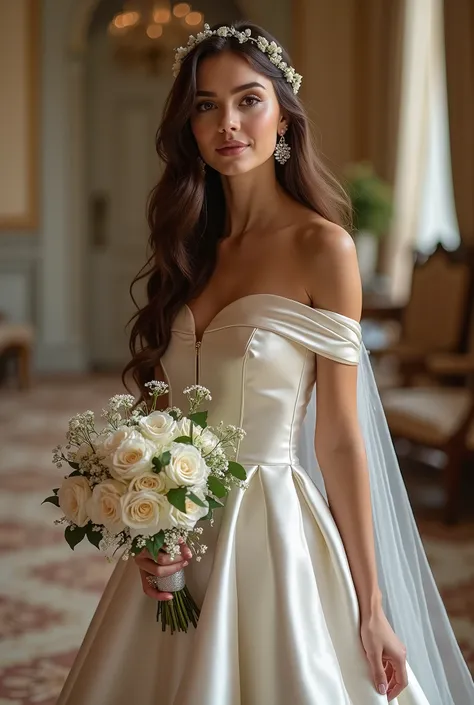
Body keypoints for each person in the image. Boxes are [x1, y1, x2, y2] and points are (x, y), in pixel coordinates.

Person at [57, 21, 474, 705]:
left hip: (273, 535)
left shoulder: (324, 248)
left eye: (249, 99)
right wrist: (145, 527)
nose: (228, 122)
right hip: (180, 535)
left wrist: (372, 607)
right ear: (187, 127)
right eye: (205, 104)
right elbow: (164, 416)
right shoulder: (187, 248)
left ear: (282, 114)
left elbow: (340, 436)